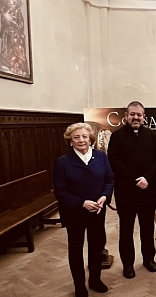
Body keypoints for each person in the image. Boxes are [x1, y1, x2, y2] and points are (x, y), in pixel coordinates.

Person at [53, 123, 114, 297]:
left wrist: (104, 196)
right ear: (70, 141)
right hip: (75, 213)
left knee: (96, 246)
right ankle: (79, 285)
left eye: (84, 137)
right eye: (76, 137)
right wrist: (81, 203)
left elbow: (109, 180)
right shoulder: (63, 162)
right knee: (76, 249)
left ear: (90, 139)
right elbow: (60, 191)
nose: (81, 140)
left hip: (97, 211)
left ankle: (95, 279)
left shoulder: (101, 157)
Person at [107, 101, 156, 279]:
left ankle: (149, 259)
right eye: (132, 114)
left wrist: (147, 177)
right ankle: (128, 264)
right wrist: (135, 179)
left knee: (147, 227)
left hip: (148, 190)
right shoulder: (117, 137)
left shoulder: (151, 136)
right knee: (126, 229)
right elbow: (115, 162)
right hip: (126, 191)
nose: (136, 117)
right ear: (126, 116)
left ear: (144, 117)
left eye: (139, 115)